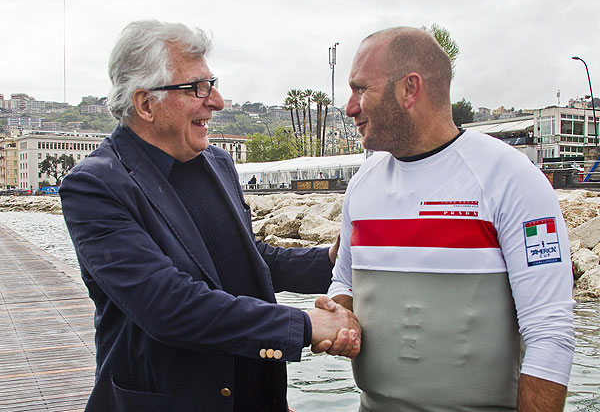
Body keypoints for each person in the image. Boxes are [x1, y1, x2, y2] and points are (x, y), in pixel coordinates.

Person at [59, 20, 360, 412]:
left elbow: (251, 259)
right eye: (197, 88)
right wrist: (302, 326)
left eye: (211, 83)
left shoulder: (216, 162)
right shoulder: (95, 186)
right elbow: (166, 305)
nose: (216, 101)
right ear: (145, 103)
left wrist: (334, 261)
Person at [324, 27, 575, 411]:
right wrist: (342, 317)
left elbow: (549, 333)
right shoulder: (362, 185)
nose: (350, 106)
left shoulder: (511, 178)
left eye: (361, 89)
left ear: (410, 89)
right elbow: (343, 281)